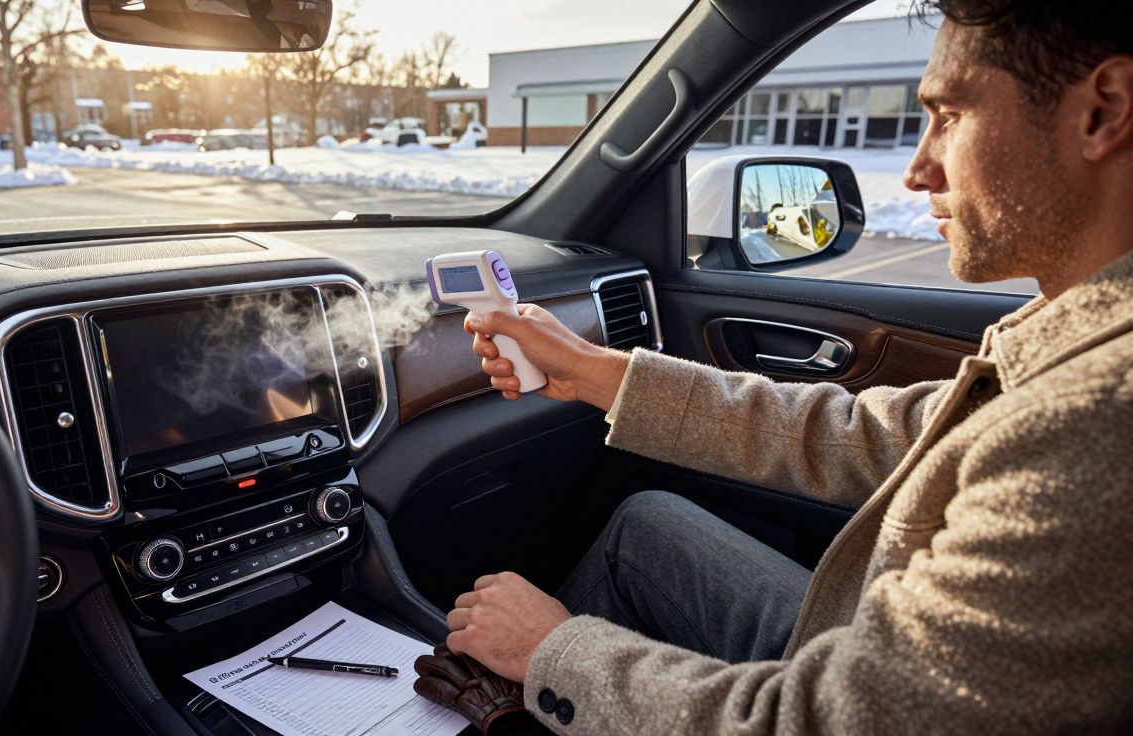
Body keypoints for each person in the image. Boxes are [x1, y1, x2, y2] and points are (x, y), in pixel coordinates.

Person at [437, 1, 1133, 733]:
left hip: (840, 693)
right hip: (866, 642)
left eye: (950, 115)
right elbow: (859, 434)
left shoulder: (1092, 432)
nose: (919, 169)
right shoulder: (1079, 346)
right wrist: (593, 371)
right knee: (649, 525)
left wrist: (552, 651)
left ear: (1102, 110)